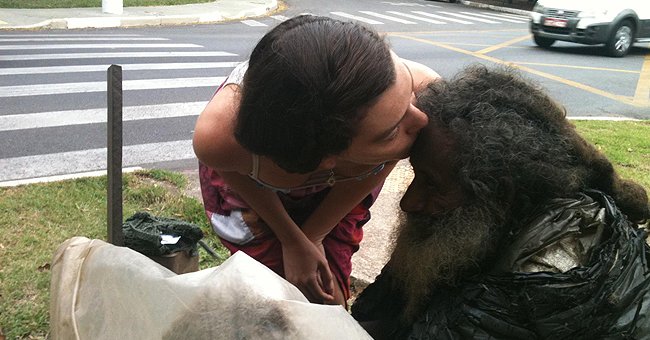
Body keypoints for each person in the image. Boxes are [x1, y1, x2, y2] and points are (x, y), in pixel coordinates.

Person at [351, 65, 650, 338]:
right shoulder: (479, 219)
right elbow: (386, 316)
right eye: (416, 175)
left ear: (498, 192)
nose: (409, 201)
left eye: (432, 183)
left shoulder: (542, 277)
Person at [192, 14, 439, 306]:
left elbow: (379, 163)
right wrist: (291, 240)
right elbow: (233, 171)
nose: (422, 120)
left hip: (342, 192)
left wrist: (313, 236)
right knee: (274, 296)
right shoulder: (221, 138)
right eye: (390, 133)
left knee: (327, 298)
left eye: (407, 94)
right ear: (328, 159)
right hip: (254, 193)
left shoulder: (425, 92)